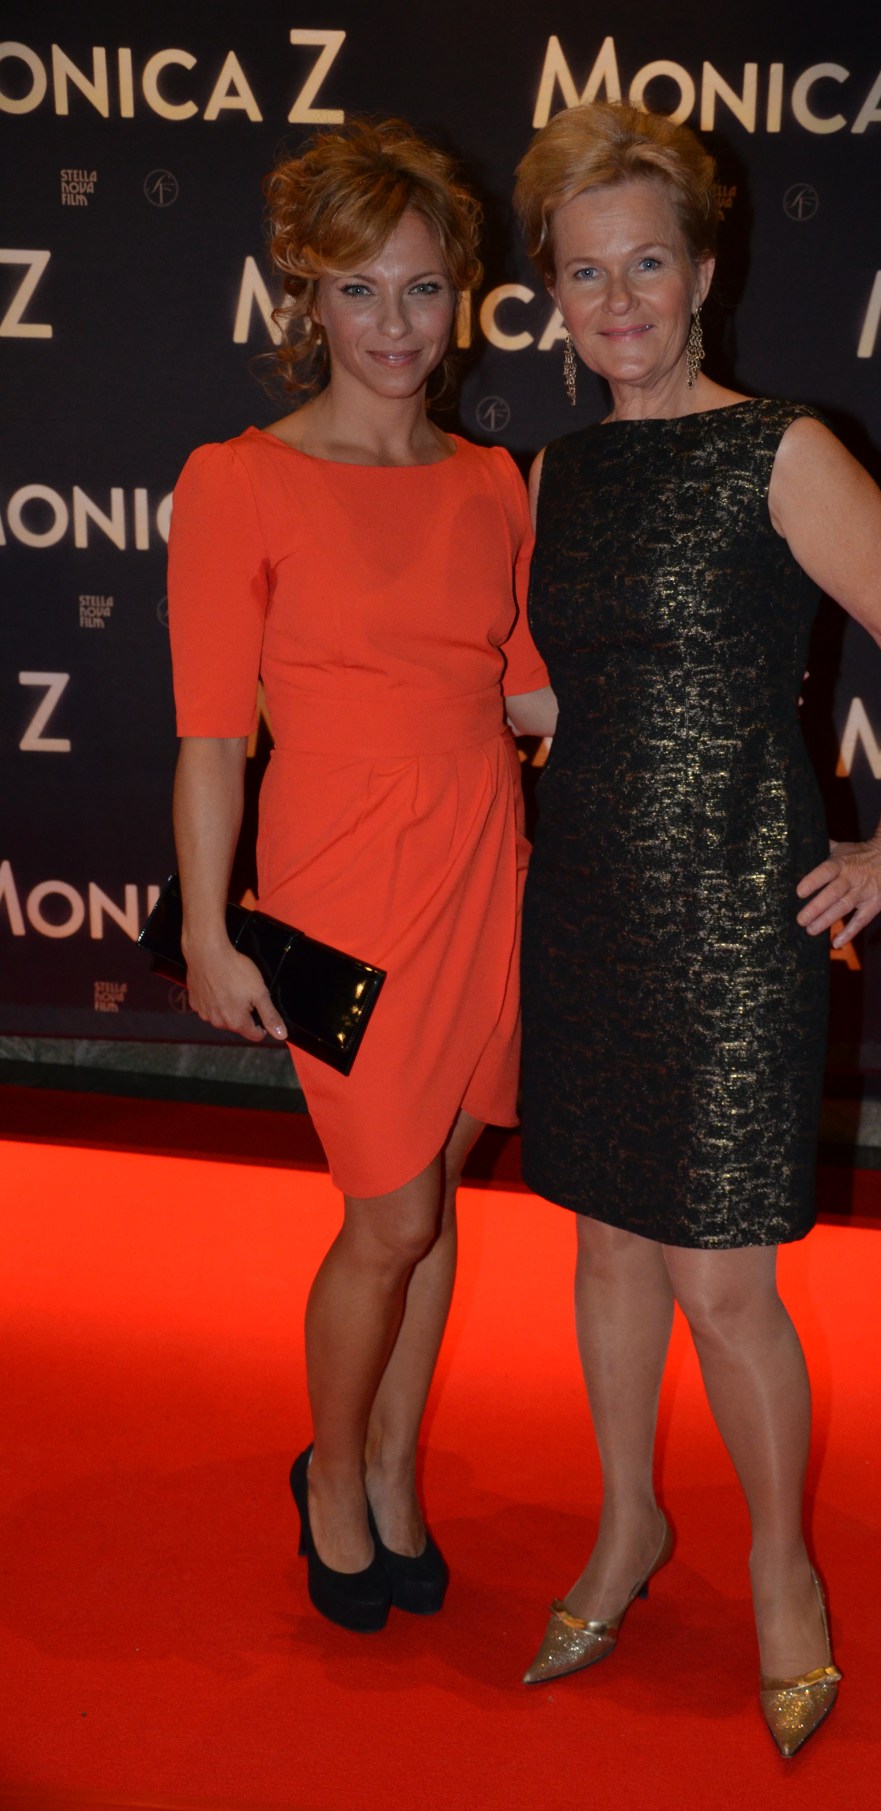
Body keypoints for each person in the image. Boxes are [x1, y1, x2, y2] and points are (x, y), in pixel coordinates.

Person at [512, 101, 881, 1756]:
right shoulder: (557, 472)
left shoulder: (781, 448)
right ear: (554, 297)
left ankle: (782, 1571)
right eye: (585, 273)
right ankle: (629, 1521)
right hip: (589, 894)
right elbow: (572, 690)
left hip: (731, 909)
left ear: (704, 274)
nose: (618, 299)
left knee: (724, 1283)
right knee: (604, 1244)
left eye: (647, 264)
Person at [167, 118, 555, 1633]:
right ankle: (331, 1473)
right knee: (387, 1216)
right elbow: (212, 738)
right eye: (360, 290)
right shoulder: (239, 481)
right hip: (337, 888)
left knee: (435, 1198)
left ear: (462, 296)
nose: (396, 325)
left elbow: (531, 693)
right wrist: (212, 931)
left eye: (423, 288)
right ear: (308, 298)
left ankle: (395, 1466)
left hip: (485, 870)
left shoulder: (495, 480)